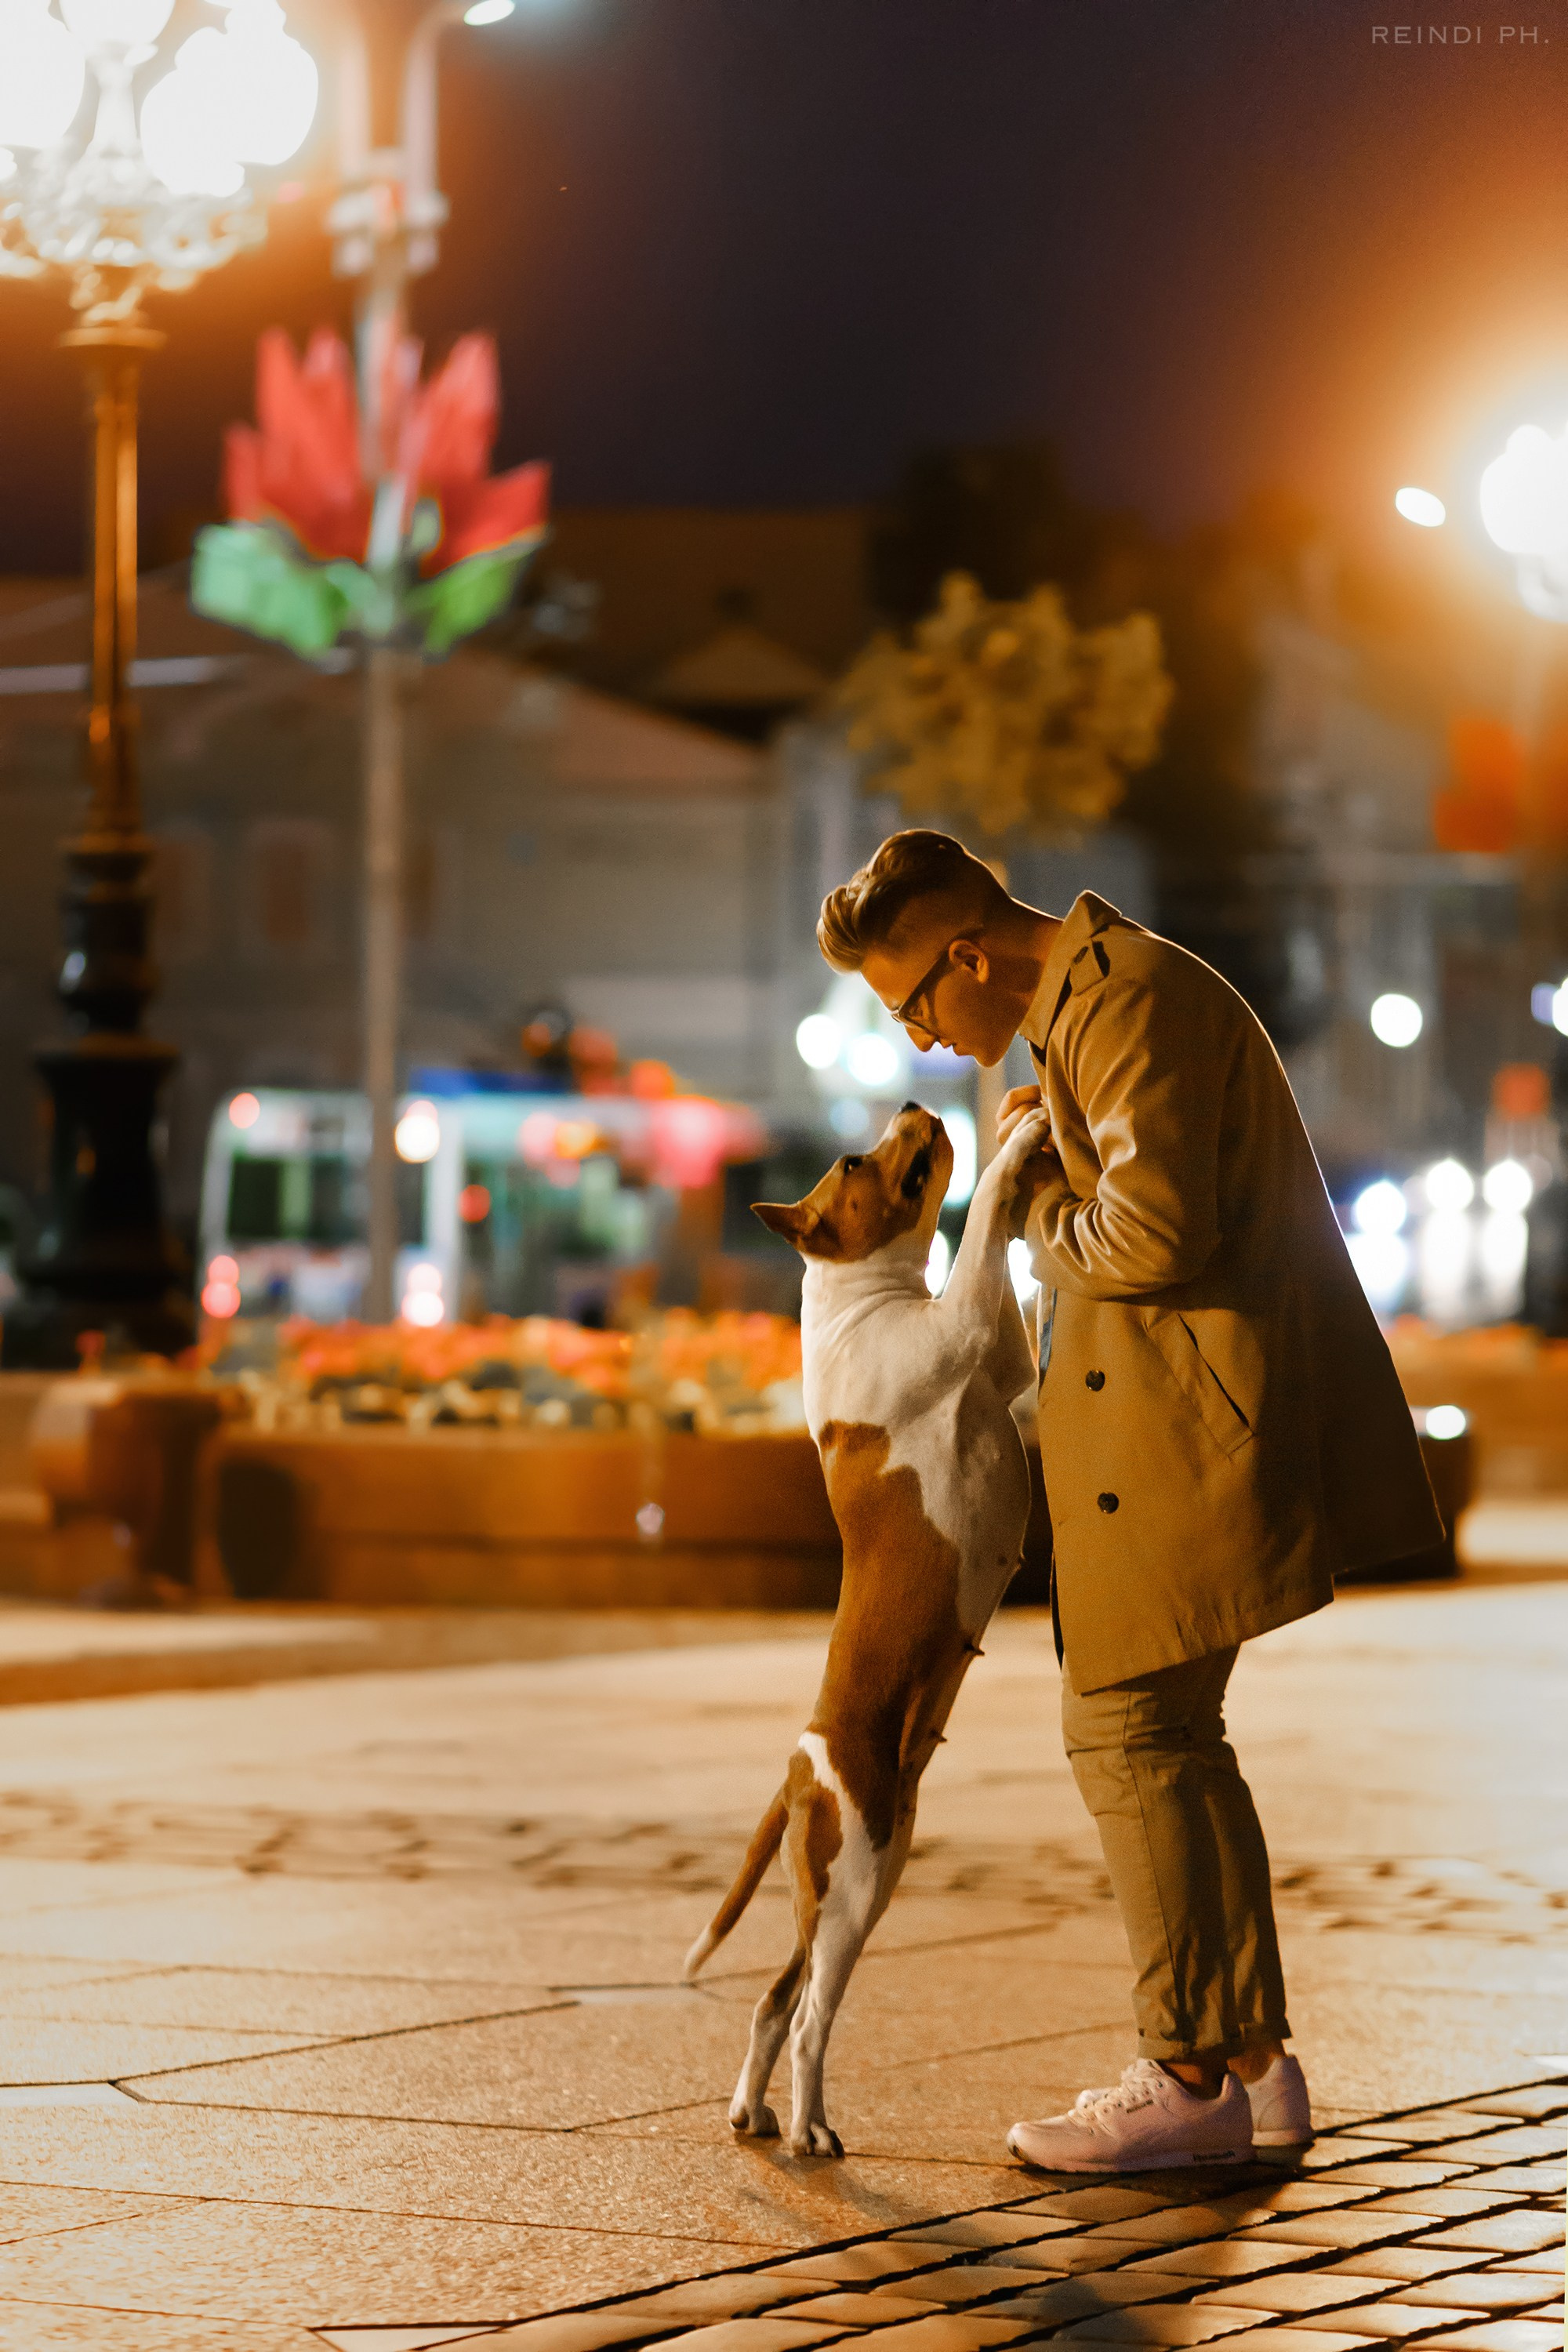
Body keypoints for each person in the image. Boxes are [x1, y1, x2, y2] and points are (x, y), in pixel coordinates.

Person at [818, 829, 1440, 2172]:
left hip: (1182, 1436)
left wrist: (1031, 1201)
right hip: (1161, 1432)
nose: (925, 1039)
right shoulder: (1089, 1012)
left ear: (968, 954)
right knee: (1173, 1741)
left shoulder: (1127, 1003)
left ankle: (1191, 2076)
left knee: (1130, 1738)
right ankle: (1253, 2065)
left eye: (914, 1002)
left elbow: (1152, 1236)